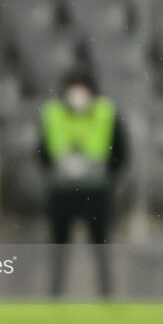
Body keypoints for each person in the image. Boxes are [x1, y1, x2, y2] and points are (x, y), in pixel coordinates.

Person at [38, 70, 126, 297]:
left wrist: (106, 177)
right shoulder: (53, 113)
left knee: (100, 247)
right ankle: (55, 297)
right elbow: (41, 151)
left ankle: (106, 297)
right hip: (62, 191)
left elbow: (121, 152)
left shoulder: (106, 112)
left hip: (95, 192)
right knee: (59, 249)